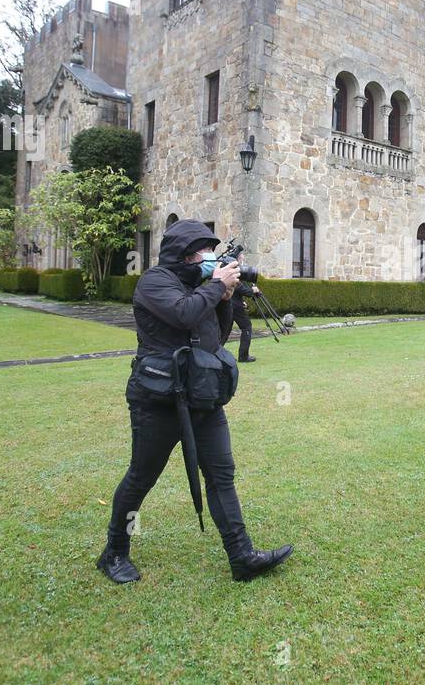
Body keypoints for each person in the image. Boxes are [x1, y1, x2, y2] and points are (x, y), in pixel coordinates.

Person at [97, 218, 293, 584]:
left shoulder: (203, 286)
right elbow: (183, 313)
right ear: (182, 256)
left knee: (221, 475)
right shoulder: (154, 282)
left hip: (202, 397)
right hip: (158, 401)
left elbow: (215, 338)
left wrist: (224, 299)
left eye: (210, 251)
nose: (208, 257)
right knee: (142, 477)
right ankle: (114, 552)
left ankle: (242, 556)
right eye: (201, 251)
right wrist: (215, 285)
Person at [220, 281, 259, 363]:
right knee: (246, 327)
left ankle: (216, 353)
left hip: (229, 306)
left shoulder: (224, 276)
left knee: (226, 330)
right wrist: (254, 290)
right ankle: (243, 356)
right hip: (235, 308)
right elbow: (244, 291)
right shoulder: (233, 278)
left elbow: (235, 292)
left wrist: (241, 302)